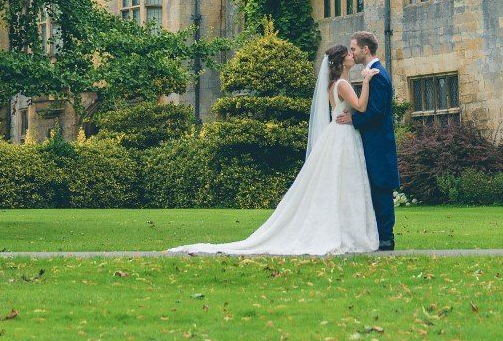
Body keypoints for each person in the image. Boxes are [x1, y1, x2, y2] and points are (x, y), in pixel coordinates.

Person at [167, 42, 379, 256]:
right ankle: (347, 231)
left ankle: (342, 229)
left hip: (336, 134)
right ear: (342, 60)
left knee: (338, 183)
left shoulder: (332, 85)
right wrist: (367, 80)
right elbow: (360, 106)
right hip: (342, 136)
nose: (353, 55)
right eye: (349, 54)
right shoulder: (343, 84)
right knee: (343, 182)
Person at [336, 30, 400, 250]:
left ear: (365, 49)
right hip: (370, 142)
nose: (351, 53)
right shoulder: (371, 73)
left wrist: (352, 120)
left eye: (354, 49)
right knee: (372, 188)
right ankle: (378, 237)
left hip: (378, 144)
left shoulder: (378, 75)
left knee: (381, 188)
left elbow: (376, 113)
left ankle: (386, 239)